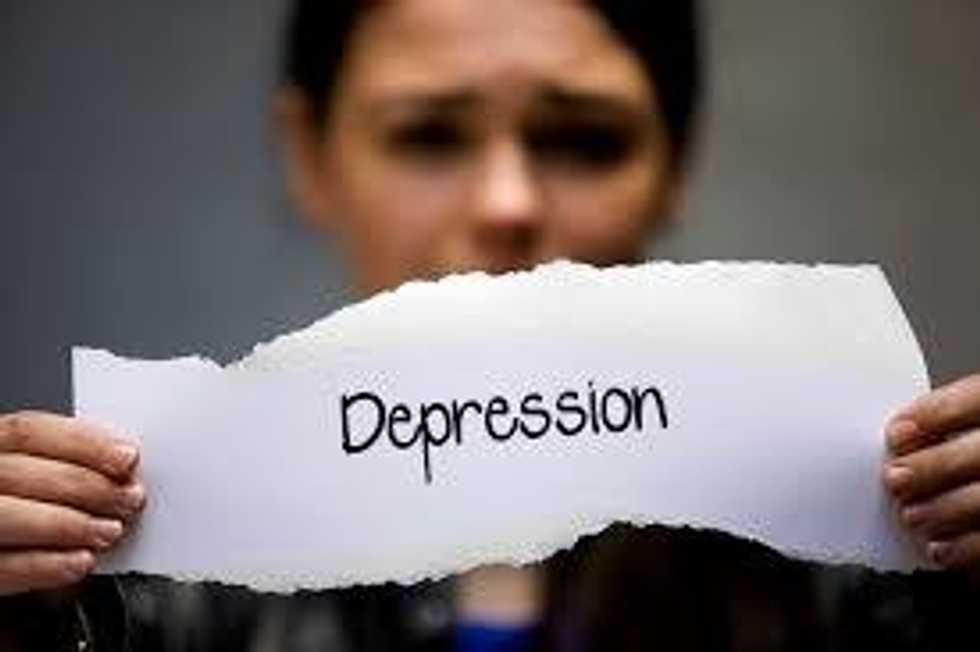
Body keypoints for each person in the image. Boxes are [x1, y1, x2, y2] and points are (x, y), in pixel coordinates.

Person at [2, 1, 979, 650]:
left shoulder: (863, 571)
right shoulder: (146, 598)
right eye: (428, 135)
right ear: (308, 154)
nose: (507, 203)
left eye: (583, 140)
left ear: (676, 160)